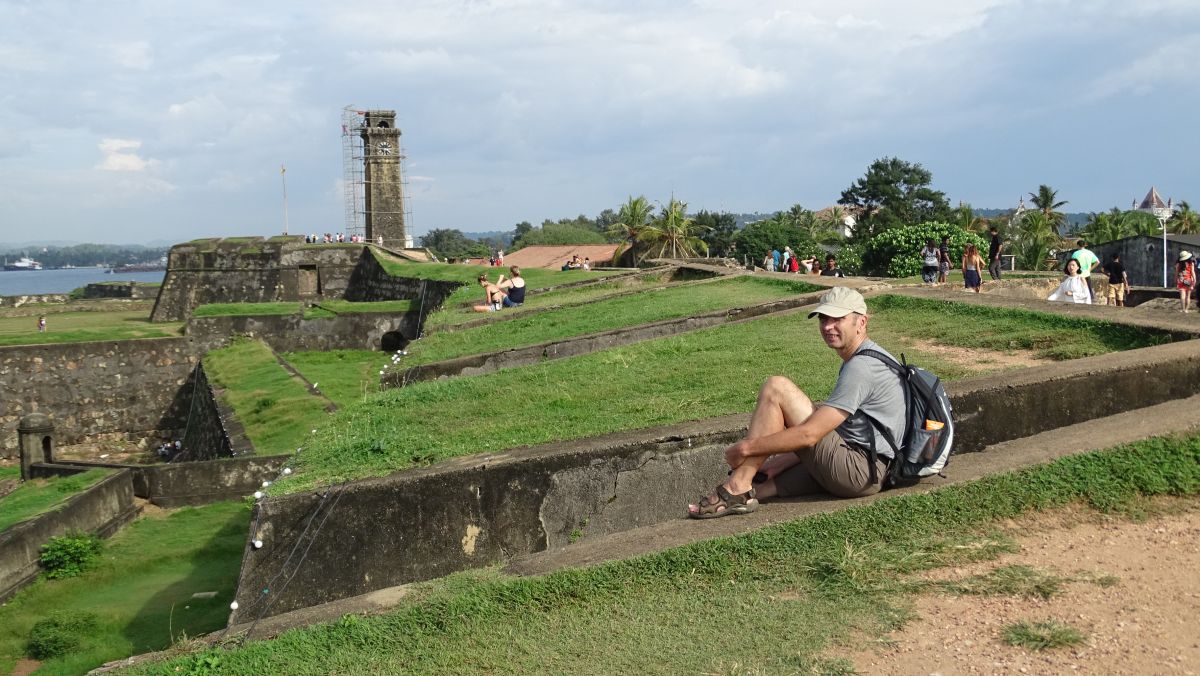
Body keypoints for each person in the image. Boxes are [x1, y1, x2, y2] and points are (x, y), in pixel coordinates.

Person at [687, 287, 905, 517]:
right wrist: (778, 462)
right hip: (869, 471)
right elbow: (840, 430)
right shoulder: (869, 357)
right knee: (765, 483)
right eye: (823, 318)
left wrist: (744, 448)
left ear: (861, 322)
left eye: (838, 318)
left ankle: (736, 486)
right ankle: (745, 493)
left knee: (776, 389)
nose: (828, 326)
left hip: (858, 471)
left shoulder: (862, 367)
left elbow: (810, 435)